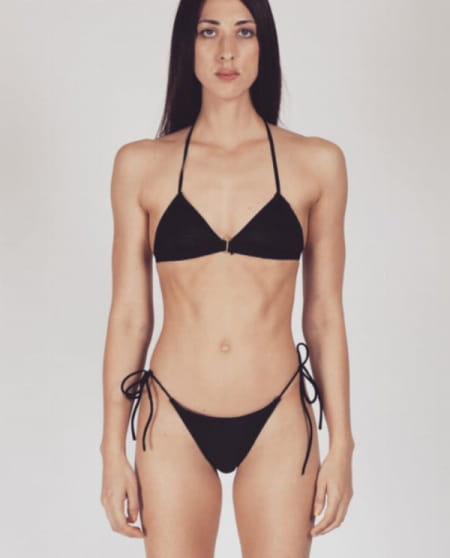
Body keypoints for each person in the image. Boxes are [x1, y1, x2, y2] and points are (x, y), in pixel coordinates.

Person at [100, 0, 354, 556]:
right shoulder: (140, 165)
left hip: (279, 416)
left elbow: (323, 315)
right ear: (186, 46)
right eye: (208, 32)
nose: (226, 52)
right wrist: (111, 452)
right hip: (171, 417)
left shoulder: (317, 163)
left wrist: (343, 446)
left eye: (244, 32)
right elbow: (130, 316)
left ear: (264, 45)